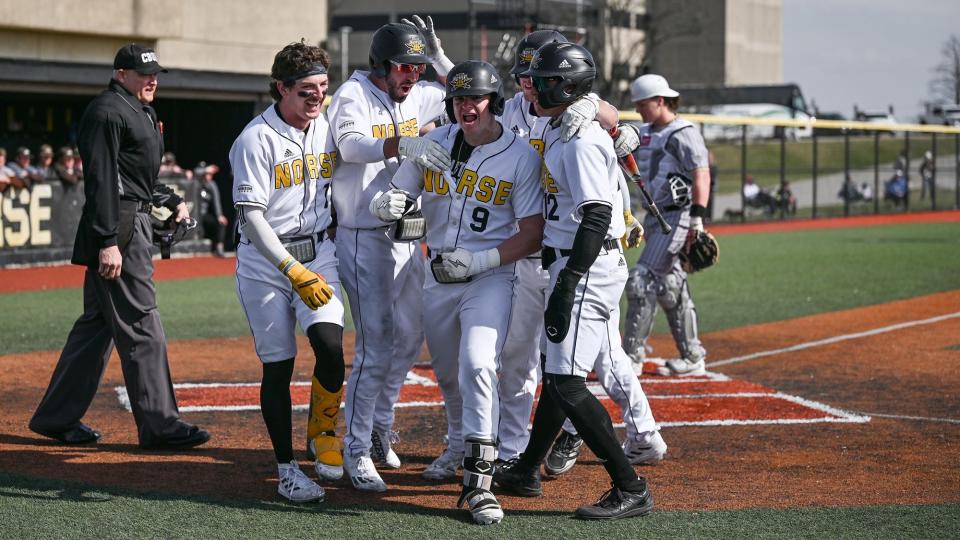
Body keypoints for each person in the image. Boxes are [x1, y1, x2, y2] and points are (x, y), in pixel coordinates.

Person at [373, 59, 543, 525]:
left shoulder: (520, 156)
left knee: (478, 363)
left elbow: (532, 233)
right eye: (459, 98)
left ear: (495, 103)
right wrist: (386, 203)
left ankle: (479, 483)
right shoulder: (436, 141)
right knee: (449, 375)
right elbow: (397, 195)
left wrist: (483, 260)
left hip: (490, 276)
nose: (466, 106)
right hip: (438, 275)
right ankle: (455, 446)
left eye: (476, 98)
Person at [495, 42, 654, 520]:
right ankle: (525, 468)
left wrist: (567, 284)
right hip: (572, 263)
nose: (534, 87)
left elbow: (597, 216)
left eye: (544, 80)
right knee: (557, 376)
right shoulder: (563, 126)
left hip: (585, 266)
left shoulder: (581, 139)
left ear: (567, 87)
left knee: (567, 383)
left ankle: (630, 486)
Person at [29, 43, 210, 450]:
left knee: (97, 327)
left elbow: (134, 175)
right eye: (144, 73)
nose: (152, 80)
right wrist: (108, 242)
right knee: (142, 324)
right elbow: (102, 181)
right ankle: (161, 426)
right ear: (120, 73)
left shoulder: (137, 108)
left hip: (129, 219)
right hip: (120, 228)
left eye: (155, 73)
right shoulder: (107, 110)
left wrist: (168, 198)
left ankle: (56, 419)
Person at [326, 16, 450, 492]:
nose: (412, 76)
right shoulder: (353, 94)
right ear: (380, 64)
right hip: (363, 234)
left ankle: (378, 426)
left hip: (407, 234)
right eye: (404, 66)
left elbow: (478, 96)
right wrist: (405, 141)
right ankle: (355, 448)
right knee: (376, 344)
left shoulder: (420, 90)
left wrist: (439, 60)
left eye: (418, 68)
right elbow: (352, 146)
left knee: (409, 338)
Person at [229, 41, 345, 504]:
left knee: (330, 343)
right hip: (266, 265)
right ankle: (286, 468)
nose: (316, 97)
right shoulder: (255, 138)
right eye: (305, 90)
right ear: (281, 88)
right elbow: (251, 217)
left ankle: (323, 434)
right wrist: (293, 271)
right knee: (278, 365)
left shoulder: (328, 126)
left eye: (322, 87)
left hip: (319, 252)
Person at [618, 73, 712, 377]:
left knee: (641, 280)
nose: (640, 110)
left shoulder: (684, 132)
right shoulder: (645, 132)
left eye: (643, 104)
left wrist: (697, 220)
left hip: (678, 216)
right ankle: (693, 355)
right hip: (656, 217)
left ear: (660, 101)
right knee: (670, 287)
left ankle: (631, 357)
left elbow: (701, 173)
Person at [195, 161, 227, 257]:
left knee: (221, 223)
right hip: (193, 215)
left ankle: (219, 247)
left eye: (209, 174)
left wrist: (219, 215)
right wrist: (206, 170)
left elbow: (216, 202)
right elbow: (194, 172)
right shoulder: (195, 182)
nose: (207, 176)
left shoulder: (212, 185)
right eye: (205, 174)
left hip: (204, 215)